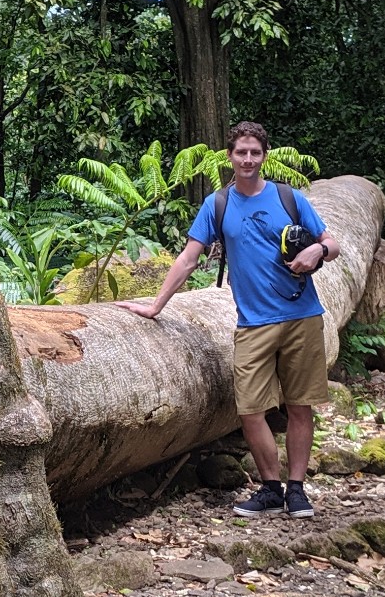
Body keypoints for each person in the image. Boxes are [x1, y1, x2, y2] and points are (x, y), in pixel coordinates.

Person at [118, 121, 339, 517]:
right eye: (241, 152)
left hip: (301, 316)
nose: (248, 159)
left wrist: (317, 253)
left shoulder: (288, 198)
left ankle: (297, 489)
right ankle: (270, 488)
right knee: (250, 409)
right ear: (230, 157)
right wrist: (155, 306)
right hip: (252, 322)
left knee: (300, 406)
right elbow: (189, 258)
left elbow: (331, 242)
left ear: (264, 156)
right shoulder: (217, 204)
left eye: (255, 152)